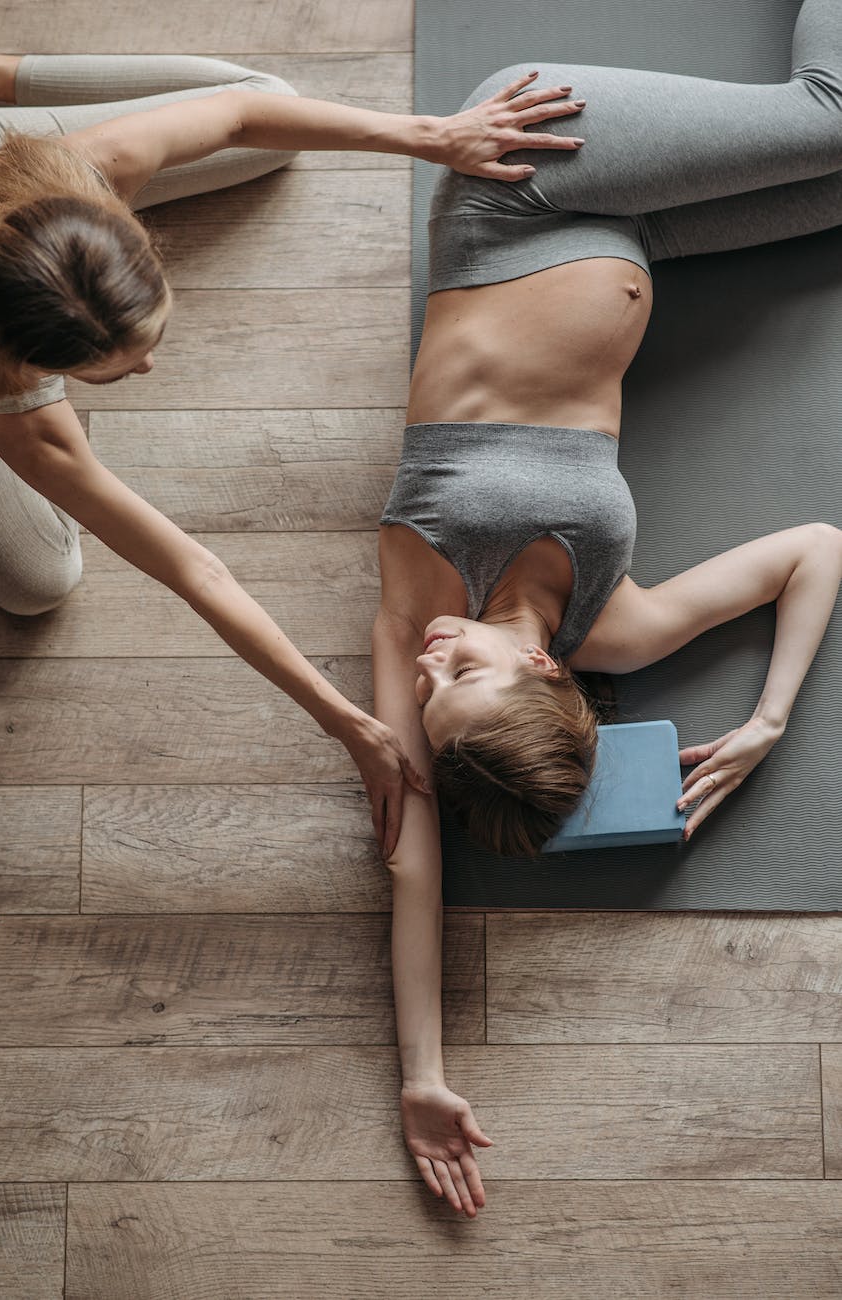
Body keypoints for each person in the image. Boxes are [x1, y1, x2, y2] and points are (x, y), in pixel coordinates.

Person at [373, 0, 842, 1214]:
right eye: (457, 679)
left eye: (427, 690)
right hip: (628, 231)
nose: (427, 664)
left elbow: (410, 862)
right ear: (545, 679)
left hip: (521, 183)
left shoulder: (424, 581)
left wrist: (420, 1073)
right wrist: (768, 720)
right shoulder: (613, 625)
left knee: (833, 119)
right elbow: (813, 549)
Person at [0, 52, 582, 855]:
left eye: (146, 338)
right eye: (116, 372)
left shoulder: (87, 168)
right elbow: (194, 568)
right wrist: (343, 722)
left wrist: (432, 136)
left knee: (269, 105)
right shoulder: (8, 401)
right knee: (39, 580)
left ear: (120, 228)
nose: (149, 368)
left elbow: (236, 117)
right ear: (30, 362)